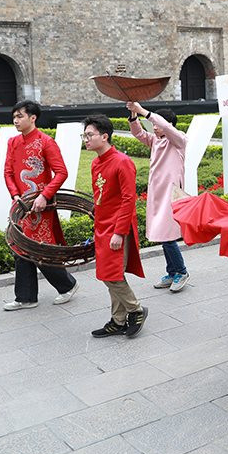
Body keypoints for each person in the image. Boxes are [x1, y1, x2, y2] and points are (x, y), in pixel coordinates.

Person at [2, 100, 78, 311]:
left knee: (40, 248)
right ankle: (26, 297)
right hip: (21, 206)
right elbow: (8, 172)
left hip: (40, 207)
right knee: (20, 247)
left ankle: (67, 285)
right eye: (14, 116)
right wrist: (15, 195)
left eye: (20, 116)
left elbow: (62, 172)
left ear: (33, 118)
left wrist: (44, 196)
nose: (15, 120)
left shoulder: (46, 142)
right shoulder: (13, 142)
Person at [82, 115, 148, 337]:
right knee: (110, 272)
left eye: (89, 135)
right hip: (102, 225)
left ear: (105, 136)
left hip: (117, 227)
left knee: (110, 275)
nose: (86, 139)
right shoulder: (95, 162)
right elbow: (102, 195)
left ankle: (135, 309)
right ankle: (118, 321)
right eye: (84, 135)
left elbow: (129, 199)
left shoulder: (122, 162)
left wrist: (120, 232)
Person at [127, 102, 190, 293]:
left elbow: (165, 127)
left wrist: (144, 111)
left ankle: (181, 271)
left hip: (171, 195)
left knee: (168, 235)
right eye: (154, 125)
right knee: (164, 236)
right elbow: (138, 133)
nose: (154, 127)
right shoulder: (155, 140)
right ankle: (172, 272)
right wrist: (133, 115)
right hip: (157, 193)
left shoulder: (178, 140)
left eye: (157, 124)